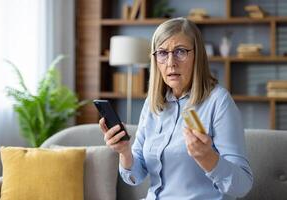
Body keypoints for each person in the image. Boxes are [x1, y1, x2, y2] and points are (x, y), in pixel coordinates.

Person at [99, 17, 253, 200]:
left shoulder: (218, 101)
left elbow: (242, 185)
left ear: (197, 56)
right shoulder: (153, 103)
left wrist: (207, 157)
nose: (171, 62)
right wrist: (124, 151)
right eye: (163, 53)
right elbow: (136, 176)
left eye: (180, 51)